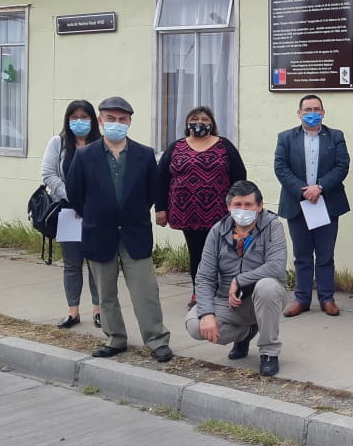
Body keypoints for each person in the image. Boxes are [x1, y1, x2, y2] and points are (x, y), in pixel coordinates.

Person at [66, 96, 173, 363]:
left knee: (145, 292)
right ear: (100, 121)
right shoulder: (84, 155)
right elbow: (74, 193)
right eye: (111, 119)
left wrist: (128, 211)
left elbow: (152, 192)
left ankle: (156, 339)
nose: (117, 124)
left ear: (129, 123)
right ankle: (115, 338)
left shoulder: (144, 154)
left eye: (122, 120)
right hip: (98, 232)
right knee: (106, 293)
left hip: (135, 233)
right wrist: (98, 212)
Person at [185, 180, 288, 377]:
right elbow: (205, 277)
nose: (243, 209)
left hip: (263, 299)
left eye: (248, 205)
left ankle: (269, 352)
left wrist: (240, 280)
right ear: (228, 206)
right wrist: (206, 313)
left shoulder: (273, 226)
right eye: (237, 205)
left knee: (267, 286)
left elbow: (276, 266)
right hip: (228, 302)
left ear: (259, 206)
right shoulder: (217, 231)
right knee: (195, 325)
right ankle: (246, 333)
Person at [155, 106, 247, 309]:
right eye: (195, 118)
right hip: (188, 213)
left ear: (212, 123)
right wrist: (160, 209)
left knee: (223, 254)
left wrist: (240, 207)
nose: (200, 122)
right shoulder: (176, 147)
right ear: (187, 123)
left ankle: (224, 291)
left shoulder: (225, 146)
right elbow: (161, 179)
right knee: (197, 254)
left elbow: (240, 176)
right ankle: (199, 293)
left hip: (219, 213)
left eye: (205, 119)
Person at [274, 94, 351, 317]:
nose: (312, 113)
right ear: (299, 113)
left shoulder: (335, 136)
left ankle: (327, 298)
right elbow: (281, 167)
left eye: (317, 109)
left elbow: (342, 165)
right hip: (298, 204)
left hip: (326, 202)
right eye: (307, 110)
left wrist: (319, 187)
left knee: (326, 255)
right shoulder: (286, 137)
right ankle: (302, 298)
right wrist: (303, 190)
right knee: (302, 255)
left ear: (323, 112)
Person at [41, 100, 102, 329]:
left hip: (95, 213)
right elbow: (48, 174)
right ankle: (73, 312)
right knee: (72, 264)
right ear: (67, 120)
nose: (79, 121)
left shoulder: (101, 143)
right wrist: (73, 197)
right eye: (74, 117)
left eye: (84, 117)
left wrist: (91, 201)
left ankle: (99, 310)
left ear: (93, 120)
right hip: (68, 212)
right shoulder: (58, 143)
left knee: (96, 263)